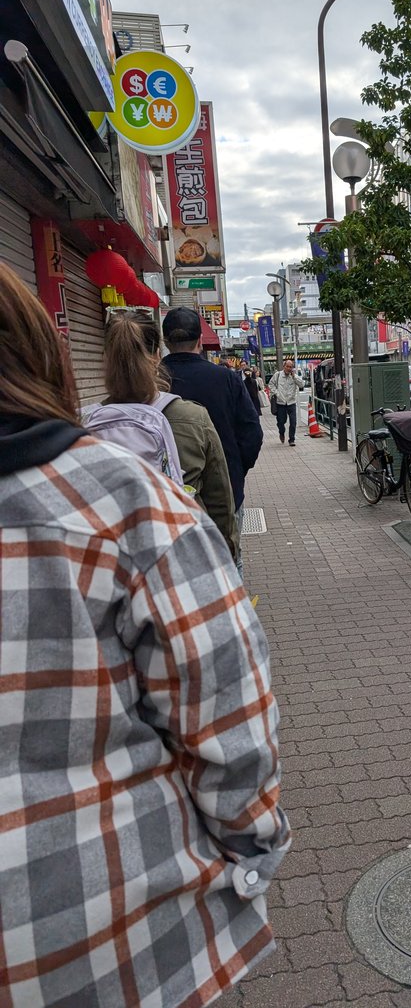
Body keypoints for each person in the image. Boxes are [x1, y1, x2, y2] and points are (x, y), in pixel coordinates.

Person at [0, 265, 290, 1007]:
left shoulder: (105, 433)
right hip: (114, 929)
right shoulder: (120, 498)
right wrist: (246, 857)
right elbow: (227, 717)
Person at [82, 309, 238, 559]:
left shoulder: (81, 425)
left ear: (105, 359)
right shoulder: (192, 417)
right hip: (179, 557)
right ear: (157, 355)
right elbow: (219, 501)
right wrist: (228, 554)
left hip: (112, 564)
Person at [162, 307, 263, 577]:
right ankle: (231, 616)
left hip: (166, 493)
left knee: (176, 570)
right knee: (229, 558)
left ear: (165, 341)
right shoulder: (225, 378)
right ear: (200, 341)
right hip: (226, 488)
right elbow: (252, 430)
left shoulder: (152, 380)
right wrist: (237, 468)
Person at [269, 358, 305, 445]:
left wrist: (294, 376)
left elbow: (302, 384)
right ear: (284, 366)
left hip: (291, 402)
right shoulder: (277, 375)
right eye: (287, 366)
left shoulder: (294, 376)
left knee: (293, 422)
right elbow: (271, 384)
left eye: (291, 367)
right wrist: (277, 393)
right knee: (281, 422)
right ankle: (281, 432)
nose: (289, 368)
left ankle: (291, 439)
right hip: (280, 403)